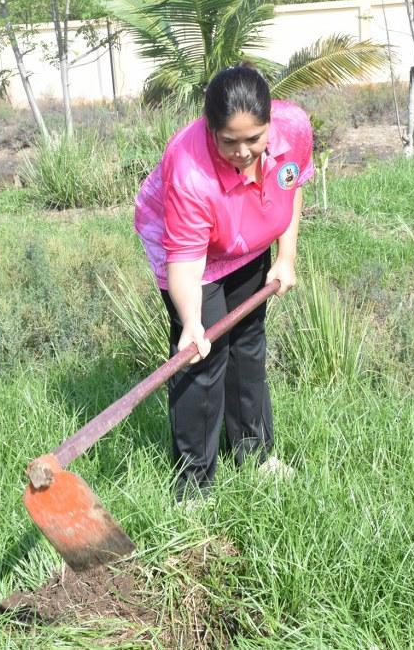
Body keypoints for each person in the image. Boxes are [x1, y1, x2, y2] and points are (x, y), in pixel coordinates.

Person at [134, 63, 314, 501]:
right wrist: (191, 323)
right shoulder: (190, 169)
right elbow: (185, 259)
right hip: (191, 251)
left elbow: (289, 189)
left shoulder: (292, 133)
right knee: (203, 363)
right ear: (209, 128)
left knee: (248, 345)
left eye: (254, 138)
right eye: (229, 141)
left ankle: (254, 453)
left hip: (248, 236)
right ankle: (193, 486)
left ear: (270, 122)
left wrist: (286, 257)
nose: (243, 151)